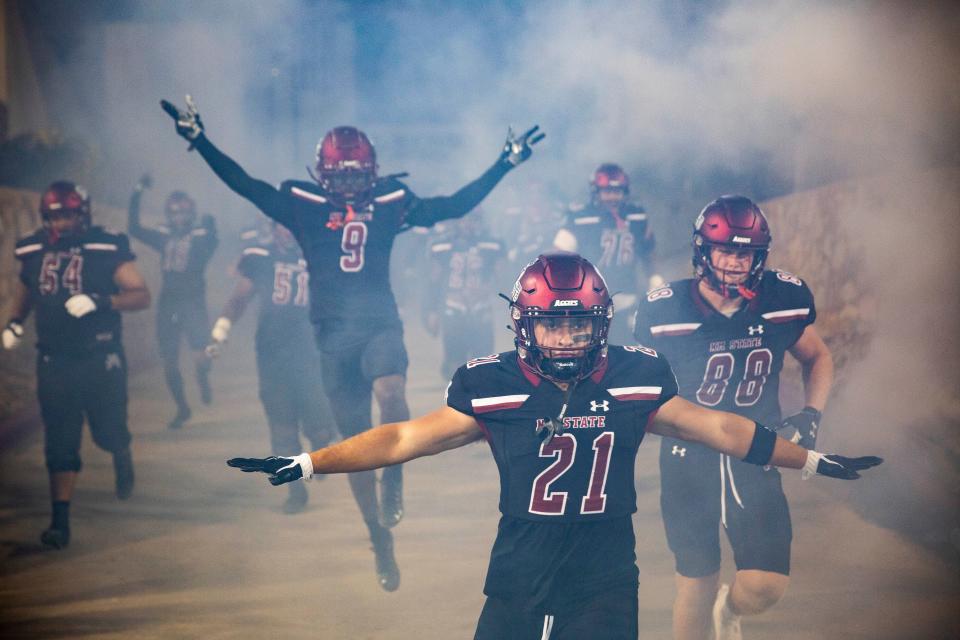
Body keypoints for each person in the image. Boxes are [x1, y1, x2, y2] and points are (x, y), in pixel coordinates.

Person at [227, 252, 880, 640]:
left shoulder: (634, 377)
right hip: (518, 573)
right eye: (552, 322)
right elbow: (402, 437)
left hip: (604, 579)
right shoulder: (494, 385)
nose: (565, 338)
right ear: (524, 322)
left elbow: (723, 428)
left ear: (600, 324)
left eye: (577, 323)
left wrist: (814, 459)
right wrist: (311, 462)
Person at [161, 95, 543, 591]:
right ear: (323, 175)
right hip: (331, 336)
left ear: (372, 171)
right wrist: (199, 140)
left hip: (378, 323)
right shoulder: (303, 204)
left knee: (391, 393)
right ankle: (377, 537)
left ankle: (397, 475)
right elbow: (244, 184)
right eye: (340, 177)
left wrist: (503, 164)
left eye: (356, 176)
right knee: (355, 449)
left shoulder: (389, 201)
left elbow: (453, 205)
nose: (348, 186)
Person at [633, 195, 835, 640]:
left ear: (759, 257)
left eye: (744, 252)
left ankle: (730, 611)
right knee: (696, 581)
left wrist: (812, 413)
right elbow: (639, 385)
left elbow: (816, 355)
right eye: (724, 250)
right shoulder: (664, 311)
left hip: (756, 453)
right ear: (702, 251)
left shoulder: (784, 298)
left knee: (765, 586)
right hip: (689, 456)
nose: (733, 262)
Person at [2, 181, 151, 549]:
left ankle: (121, 451)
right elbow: (25, 290)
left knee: (107, 431)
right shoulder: (34, 248)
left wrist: (101, 301)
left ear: (82, 214)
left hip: (100, 357)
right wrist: (14, 322)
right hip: (54, 357)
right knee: (60, 440)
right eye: (55, 215)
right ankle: (60, 521)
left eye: (68, 214)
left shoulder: (106, 246)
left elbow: (141, 294)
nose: (62, 223)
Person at [206, 220, 336, 514]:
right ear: (274, 228)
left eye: (291, 226)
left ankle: (321, 451)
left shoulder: (318, 255)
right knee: (281, 424)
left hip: (311, 352)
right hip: (273, 352)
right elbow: (240, 298)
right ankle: (295, 489)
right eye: (282, 225)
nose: (288, 231)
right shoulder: (260, 257)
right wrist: (221, 331)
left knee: (319, 421)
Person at [127, 174, 218, 429]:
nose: (179, 219)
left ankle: (202, 377)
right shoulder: (164, 236)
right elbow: (134, 228)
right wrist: (137, 192)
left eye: (184, 214)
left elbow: (212, 243)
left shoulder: (201, 236)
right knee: (169, 360)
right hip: (169, 302)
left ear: (192, 214)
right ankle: (182, 407)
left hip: (193, 301)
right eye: (174, 214)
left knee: (201, 355)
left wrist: (211, 225)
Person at [553, 163, 662, 343]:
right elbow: (558, 258)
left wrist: (655, 277)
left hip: (626, 298)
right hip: (589, 304)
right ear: (596, 192)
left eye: (617, 192)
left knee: (626, 354)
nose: (612, 197)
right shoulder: (580, 217)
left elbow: (648, 252)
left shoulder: (636, 216)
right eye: (607, 192)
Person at [424, 212, 505, 379]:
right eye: (464, 218)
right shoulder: (440, 246)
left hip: (481, 309)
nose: (468, 223)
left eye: (473, 219)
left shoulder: (493, 245)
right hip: (453, 308)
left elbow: (504, 278)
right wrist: (431, 311)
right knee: (455, 363)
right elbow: (434, 280)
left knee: (483, 363)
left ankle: (480, 399)